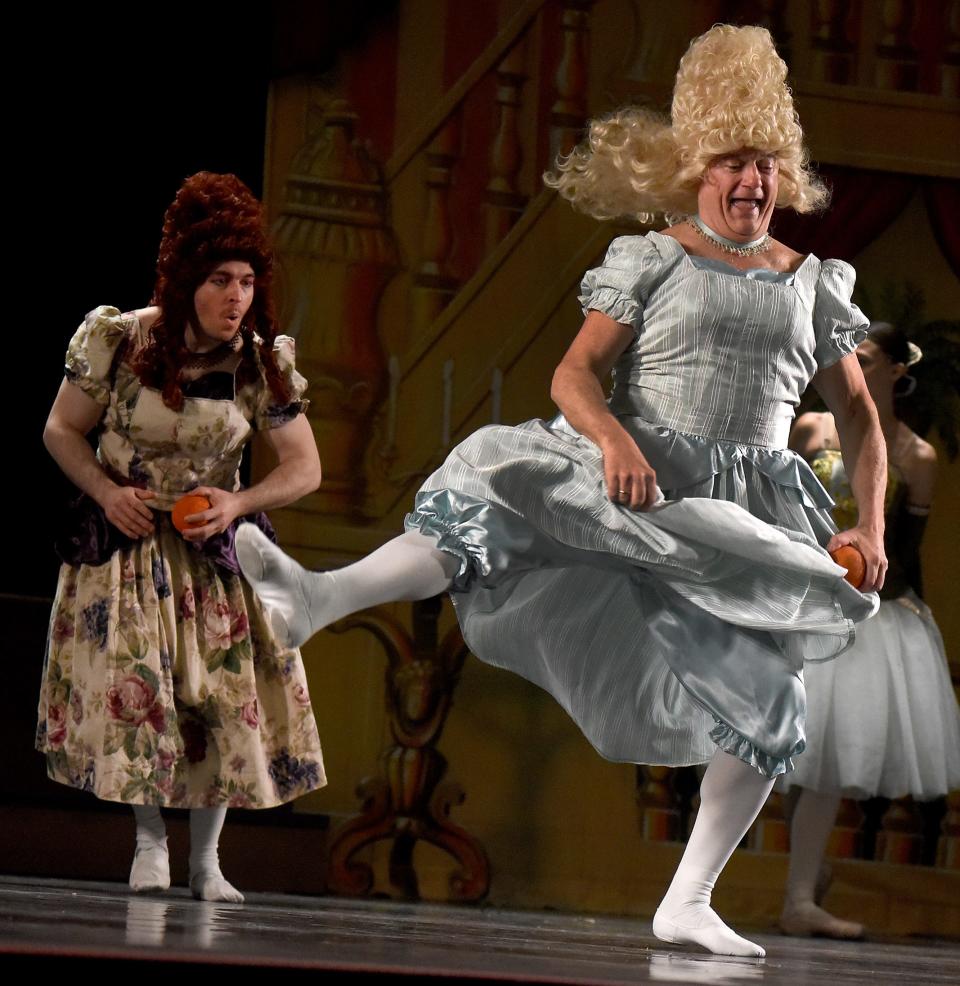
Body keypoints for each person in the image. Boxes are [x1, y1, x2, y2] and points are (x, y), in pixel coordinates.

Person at [236, 25, 884, 955]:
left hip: (745, 513)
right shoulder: (653, 257)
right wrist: (615, 438)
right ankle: (317, 597)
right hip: (638, 474)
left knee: (773, 703)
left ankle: (689, 900)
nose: (752, 182)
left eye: (767, 165)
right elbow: (574, 378)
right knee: (498, 489)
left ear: (786, 174)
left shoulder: (813, 283)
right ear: (696, 167)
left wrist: (869, 519)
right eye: (734, 163)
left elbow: (859, 418)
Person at [36, 172, 326, 903]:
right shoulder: (120, 338)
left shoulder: (258, 362)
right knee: (144, 692)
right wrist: (105, 492)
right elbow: (61, 428)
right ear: (186, 278)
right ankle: (149, 843)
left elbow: (305, 468)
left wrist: (239, 502)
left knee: (223, 700)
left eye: (248, 281)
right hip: (129, 547)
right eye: (221, 281)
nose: (237, 298)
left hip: (210, 550)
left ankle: (207, 861)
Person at [779, 323, 960, 938]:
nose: (849, 364)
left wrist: (891, 604)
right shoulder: (814, 431)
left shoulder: (916, 457)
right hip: (799, 599)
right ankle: (802, 881)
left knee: (828, 755)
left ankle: (800, 896)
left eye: (863, 357)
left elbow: (907, 551)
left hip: (865, 613)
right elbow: (777, 511)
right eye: (845, 355)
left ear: (894, 370)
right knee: (778, 749)